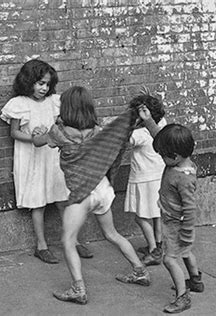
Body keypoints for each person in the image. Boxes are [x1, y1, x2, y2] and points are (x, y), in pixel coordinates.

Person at [33, 86, 162, 305]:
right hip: (102, 189)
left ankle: (78, 289)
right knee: (112, 234)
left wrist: (38, 133)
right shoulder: (96, 130)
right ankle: (139, 271)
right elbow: (115, 136)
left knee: (68, 240)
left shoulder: (59, 132)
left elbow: (38, 142)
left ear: (67, 108)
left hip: (82, 194)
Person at [0, 60, 92, 264]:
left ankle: (73, 240)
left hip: (53, 155)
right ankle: (41, 246)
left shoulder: (54, 102)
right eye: (40, 83)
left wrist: (54, 132)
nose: (44, 88)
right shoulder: (19, 104)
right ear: (28, 81)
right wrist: (34, 137)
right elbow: (14, 132)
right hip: (33, 157)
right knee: (38, 202)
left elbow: (61, 123)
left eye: (47, 84)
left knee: (63, 199)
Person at [152, 123, 205, 314]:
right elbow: (161, 139)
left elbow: (190, 208)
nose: (161, 157)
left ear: (174, 155)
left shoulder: (183, 178)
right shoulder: (181, 162)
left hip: (175, 223)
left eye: (162, 155)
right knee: (186, 251)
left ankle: (183, 297)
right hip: (176, 221)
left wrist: (186, 233)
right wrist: (149, 120)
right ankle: (195, 281)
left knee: (169, 259)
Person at [124, 93, 167, 266]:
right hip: (159, 175)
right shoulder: (162, 124)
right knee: (156, 215)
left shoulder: (139, 134)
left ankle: (152, 250)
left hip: (144, 179)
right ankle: (159, 245)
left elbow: (125, 140)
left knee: (141, 217)